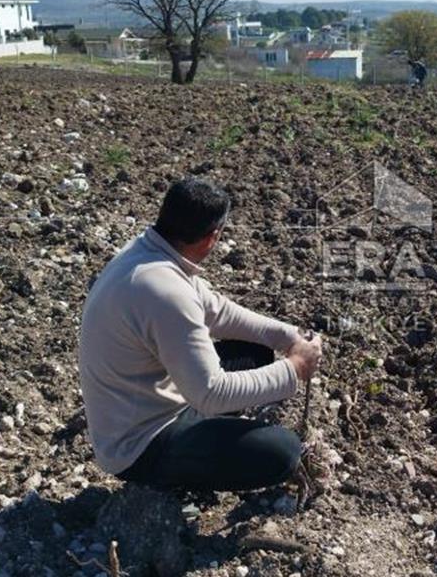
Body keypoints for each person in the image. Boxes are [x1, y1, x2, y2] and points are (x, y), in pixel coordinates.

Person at [78, 177, 322, 492]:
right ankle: (179, 478)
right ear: (212, 238)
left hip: (153, 404)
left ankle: (209, 443)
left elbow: (219, 312)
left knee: (256, 350)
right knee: (282, 452)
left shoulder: (150, 254)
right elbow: (211, 393)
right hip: (139, 446)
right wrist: (295, 368)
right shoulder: (165, 292)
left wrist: (290, 338)